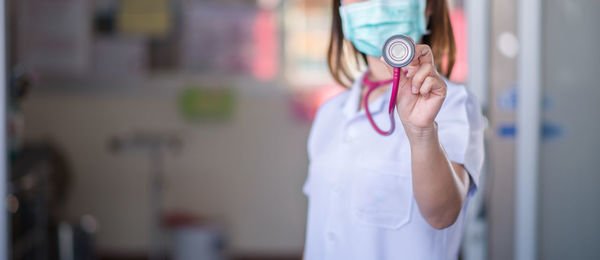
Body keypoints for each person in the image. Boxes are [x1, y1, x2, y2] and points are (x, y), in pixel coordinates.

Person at [302, 0, 485, 259]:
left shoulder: (454, 104)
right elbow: (321, 228)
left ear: (429, 7)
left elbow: (443, 214)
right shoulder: (331, 112)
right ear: (341, 10)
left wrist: (422, 133)